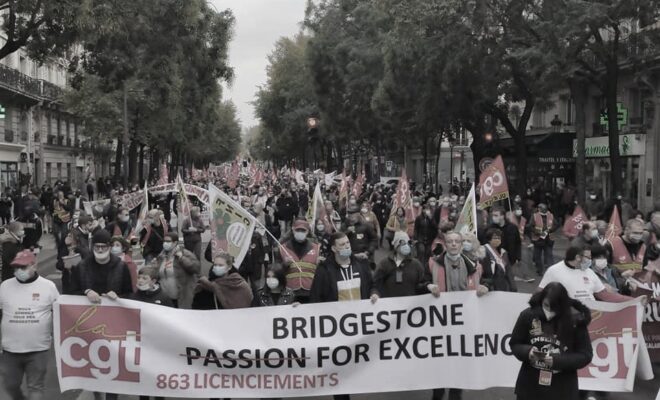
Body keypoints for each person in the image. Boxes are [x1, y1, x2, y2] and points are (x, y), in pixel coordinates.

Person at [428, 231, 488, 400]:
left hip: (464, 324)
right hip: (441, 324)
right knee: (440, 363)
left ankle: (455, 395)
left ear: (461, 245)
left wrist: (484, 287)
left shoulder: (475, 266)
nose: (453, 244)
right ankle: (437, 395)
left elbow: (488, 281)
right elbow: (421, 283)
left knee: (460, 363)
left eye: (457, 241)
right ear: (445, 245)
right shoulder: (433, 264)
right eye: (450, 241)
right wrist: (428, 287)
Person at [509, 282, 593, 400]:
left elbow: (585, 355)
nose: (548, 312)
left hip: (562, 388)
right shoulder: (528, 315)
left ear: (562, 306)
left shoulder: (576, 321)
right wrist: (528, 352)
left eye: (554, 309)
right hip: (530, 386)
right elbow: (515, 343)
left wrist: (555, 360)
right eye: (546, 306)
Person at [0, 250, 59, 400]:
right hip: (10, 350)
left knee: (36, 387)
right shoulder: (5, 286)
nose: (19, 271)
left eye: (23, 267)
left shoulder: (49, 287)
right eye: (16, 267)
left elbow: (61, 313)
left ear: (34, 265)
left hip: (38, 349)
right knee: (10, 385)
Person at [539, 246, 633, 303]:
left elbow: (604, 295)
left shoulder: (589, 272)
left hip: (590, 316)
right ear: (577, 257)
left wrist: (630, 301)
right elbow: (540, 293)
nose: (590, 260)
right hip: (566, 317)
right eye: (588, 257)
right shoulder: (554, 270)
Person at [310, 231, 379, 303]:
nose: (347, 246)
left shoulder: (362, 264)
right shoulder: (323, 270)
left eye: (348, 243)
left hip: (360, 312)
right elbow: (315, 297)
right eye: (342, 244)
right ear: (334, 248)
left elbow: (372, 286)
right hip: (336, 313)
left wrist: (374, 293)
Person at [69, 230, 133, 301]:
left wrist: (118, 297)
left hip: (112, 310)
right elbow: (72, 292)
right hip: (88, 310)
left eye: (103, 247)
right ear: (93, 247)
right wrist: (86, 292)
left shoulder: (121, 267)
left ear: (109, 247)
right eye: (97, 246)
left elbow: (129, 294)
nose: (100, 250)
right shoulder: (82, 266)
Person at [374, 231, 433, 298]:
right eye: (403, 243)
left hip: (410, 306)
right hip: (390, 306)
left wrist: (428, 286)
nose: (406, 246)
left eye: (408, 243)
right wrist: (375, 294)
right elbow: (375, 285)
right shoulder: (384, 264)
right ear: (396, 246)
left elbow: (421, 284)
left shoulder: (416, 265)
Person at [150, 232, 200, 309]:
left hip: (182, 297)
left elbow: (196, 268)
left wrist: (182, 258)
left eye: (168, 241)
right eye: (164, 241)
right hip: (166, 299)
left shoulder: (185, 253)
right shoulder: (161, 256)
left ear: (175, 242)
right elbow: (157, 276)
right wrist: (154, 267)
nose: (165, 243)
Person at [280, 219, 320, 303]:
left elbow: (320, 272)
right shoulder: (282, 248)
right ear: (293, 230)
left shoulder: (316, 248)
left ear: (308, 231)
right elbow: (276, 271)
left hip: (311, 290)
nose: (300, 232)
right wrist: (284, 265)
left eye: (303, 230)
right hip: (290, 291)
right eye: (298, 230)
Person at [342, 205, 378, 270]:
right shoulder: (345, 225)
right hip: (350, 257)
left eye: (354, 216)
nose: (352, 218)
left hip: (364, 256)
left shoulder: (366, 225)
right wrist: (347, 231)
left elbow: (374, 239)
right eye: (350, 216)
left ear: (358, 215)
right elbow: (339, 240)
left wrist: (368, 252)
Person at [481, 228, 517, 292]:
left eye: (499, 238)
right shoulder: (483, 251)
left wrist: (513, 286)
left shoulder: (503, 252)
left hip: (503, 285)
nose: (497, 240)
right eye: (495, 238)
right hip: (490, 286)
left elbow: (508, 271)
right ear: (489, 239)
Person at [530, 203, 556, 275]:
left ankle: (551, 271)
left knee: (549, 255)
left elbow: (556, 225)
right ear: (539, 209)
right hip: (538, 239)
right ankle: (539, 270)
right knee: (537, 256)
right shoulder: (534, 216)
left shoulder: (551, 215)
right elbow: (530, 226)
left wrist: (551, 230)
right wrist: (538, 232)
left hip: (548, 239)